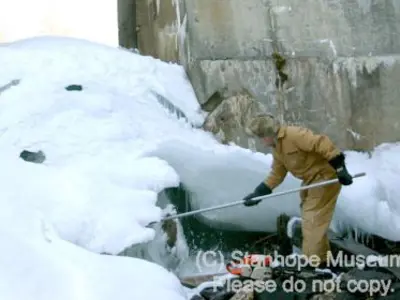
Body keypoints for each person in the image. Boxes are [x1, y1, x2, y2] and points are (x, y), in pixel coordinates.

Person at [243, 113, 353, 268]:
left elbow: (322, 143)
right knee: (311, 218)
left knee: (312, 219)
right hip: (310, 181)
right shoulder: (277, 148)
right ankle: (324, 261)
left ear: (269, 133)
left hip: (325, 177)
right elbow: (277, 173)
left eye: (261, 137)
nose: (261, 141)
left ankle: (316, 264)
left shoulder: (294, 135)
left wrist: (340, 168)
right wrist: (258, 193)